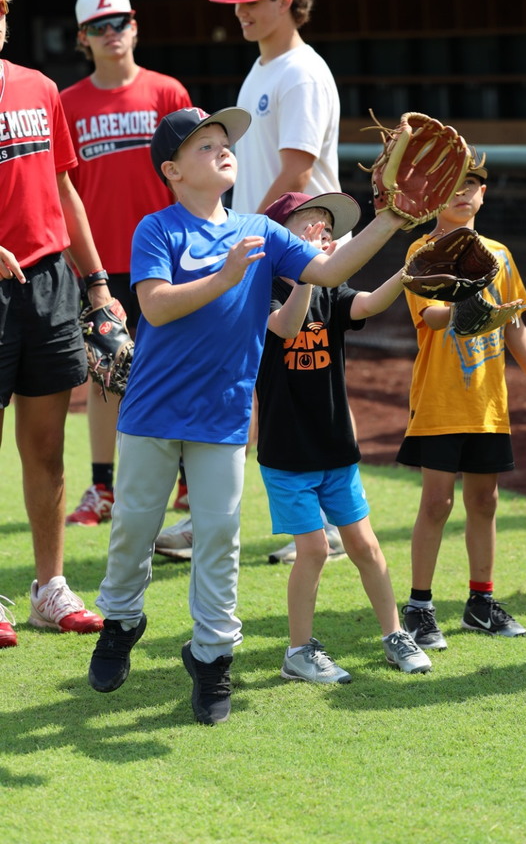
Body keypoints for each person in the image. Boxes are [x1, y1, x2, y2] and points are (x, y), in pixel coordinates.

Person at [87, 106, 407, 724]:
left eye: (224, 141)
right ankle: (122, 620)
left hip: (224, 418)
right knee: (133, 531)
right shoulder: (157, 229)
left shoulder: (262, 228)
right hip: (152, 413)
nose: (222, 149)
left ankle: (211, 663)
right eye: (205, 145)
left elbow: (332, 269)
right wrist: (227, 272)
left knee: (218, 542)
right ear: (172, 172)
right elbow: (154, 307)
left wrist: (393, 217)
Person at [253, 191, 431, 681]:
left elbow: (368, 303)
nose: (322, 234)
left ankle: (395, 635)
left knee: (367, 547)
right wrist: (309, 274)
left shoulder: (332, 290)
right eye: (309, 225)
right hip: (288, 454)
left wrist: (409, 271)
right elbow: (287, 328)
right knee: (312, 550)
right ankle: (298, 652)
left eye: (326, 228)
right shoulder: (262, 288)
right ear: (279, 238)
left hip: (336, 449)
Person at [209, 0, 347, 561]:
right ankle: (223, 517)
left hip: (299, 254)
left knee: (304, 387)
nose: (240, 12)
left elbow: (296, 169)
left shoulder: (301, 70)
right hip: (268, 248)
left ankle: (327, 526)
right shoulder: (264, 68)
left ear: (285, 2)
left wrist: (243, 232)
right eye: (234, 2)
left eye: (251, 2)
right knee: (256, 384)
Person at [398, 168, 526, 650]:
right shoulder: (421, 253)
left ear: (483, 195)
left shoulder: (500, 255)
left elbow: (515, 324)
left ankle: (480, 603)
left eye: (470, 186)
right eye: (450, 187)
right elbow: (430, 316)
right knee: (437, 502)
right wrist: (465, 304)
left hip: (489, 404)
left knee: (484, 501)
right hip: (441, 401)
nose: (462, 194)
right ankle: (419, 607)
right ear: (431, 199)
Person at [0, 0, 109, 648]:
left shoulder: (40, 88)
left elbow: (66, 190)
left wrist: (96, 282)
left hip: (46, 284)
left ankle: (49, 589)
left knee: (47, 446)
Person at [60, 0, 192, 527]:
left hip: (165, 257)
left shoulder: (168, 93)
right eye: (99, 26)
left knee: (179, 368)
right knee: (105, 375)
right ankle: (103, 487)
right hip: (101, 266)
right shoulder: (66, 103)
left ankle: (188, 483)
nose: (111, 33)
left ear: (135, 27)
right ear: (82, 39)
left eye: (120, 22)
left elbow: (196, 177)